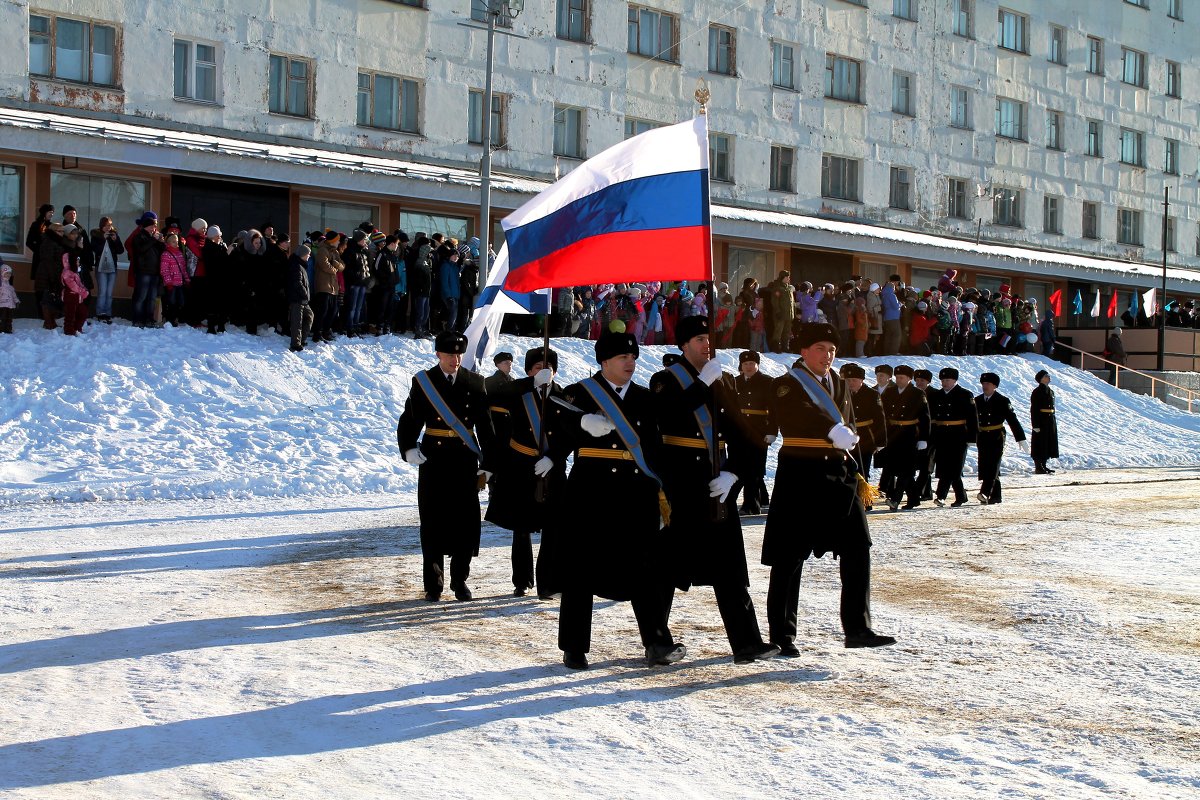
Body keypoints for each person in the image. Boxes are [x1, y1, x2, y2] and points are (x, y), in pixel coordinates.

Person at [548, 330, 684, 670]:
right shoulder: (578, 394)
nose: (630, 362)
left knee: (646, 569)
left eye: (633, 357)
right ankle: (574, 647)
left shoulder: (645, 399)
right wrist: (580, 422)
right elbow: (554, 424)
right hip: (590, 493)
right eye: (622, 357)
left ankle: (656, 643)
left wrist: (663, 491)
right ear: (604, 361)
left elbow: (656, 449)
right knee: (580, 569)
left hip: (635, 493)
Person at [649, 316, 780, 665]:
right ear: (683, 345)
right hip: (679, 484)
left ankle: (747, 642)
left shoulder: (722, 381)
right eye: (699, 339)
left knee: (730, 567)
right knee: (666, 568)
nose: (707, 344)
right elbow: (664, 418)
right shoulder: (664, 380)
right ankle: (657, 643)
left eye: (709, 338)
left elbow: (743, 432)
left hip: (716, 484)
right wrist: (699, 387)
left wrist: (734, 472)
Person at [762, 322, 896, 653]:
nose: (828, 356)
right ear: (804, 352)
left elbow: (847, 421)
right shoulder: (786, 385)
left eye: (832, 350)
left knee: (857, 547)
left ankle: (858, 628)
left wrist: (846, 433)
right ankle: (782, 635)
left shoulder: (839, 384)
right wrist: (831, 428)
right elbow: (796, 413)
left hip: (838, 475)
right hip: (801, 476)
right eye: (820, 349)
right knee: (789, 559)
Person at [397, 330, 496, 602]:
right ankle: (433, 583)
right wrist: (408, 447)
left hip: (464, 458)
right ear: (438, 354)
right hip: (434, 460)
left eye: (459, 354)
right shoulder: (424, 382)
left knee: (465, 522)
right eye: (450, 354)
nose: (455, 359)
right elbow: (411, 417)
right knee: (432, 521)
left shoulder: (475, 382)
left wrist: (488, 463)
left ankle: (460, 580)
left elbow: (486, 427)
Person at [485, 347, 566, 599]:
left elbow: (571, 434)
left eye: (549, 368)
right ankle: (521, 580)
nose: (544, 372)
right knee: (521, 528)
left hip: (552, 469)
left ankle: (547, 583)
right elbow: (498, 395)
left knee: (553, 529)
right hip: (520, 467)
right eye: (537, 368)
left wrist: (554, 458)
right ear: (529, 371)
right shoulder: (517, 392)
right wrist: (532, 384)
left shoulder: (564, 396)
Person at [728, 350, 774, 515]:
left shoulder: (767, 382)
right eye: (745, 364)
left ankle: (752, 504)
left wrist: (772, 431)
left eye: (751, 363)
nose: (748, 366)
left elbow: (774, 410)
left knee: (755, 469)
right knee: (736, 466)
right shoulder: (734, 382)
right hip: (739, 431)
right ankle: (730, 501)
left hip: (758, 431)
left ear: (757, 365)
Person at [878, 365, 930, 510]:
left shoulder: (917, 393)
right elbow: (882, 414)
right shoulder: (889, 392)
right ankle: (913, 498)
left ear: (909, 379)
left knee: (906, 469)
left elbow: (924, 417)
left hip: (909, 434)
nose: (899, 380)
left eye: (902, 378)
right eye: (897, 377)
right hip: (894, 434)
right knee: (897, 468)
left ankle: (895, 499)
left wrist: (923, 438)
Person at [927, 367, 979, 507]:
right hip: (942, 434)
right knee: (945, 466)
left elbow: (972, 418)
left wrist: (972, 438)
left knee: (954, 467)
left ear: (955, 380)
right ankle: (961, 496)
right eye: (943, 380)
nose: (944, 383)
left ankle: (941, 496)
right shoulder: (936, 396)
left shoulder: (964, 394)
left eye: (947, 380)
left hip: (959, 435)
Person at [974, 372, 1027, 505]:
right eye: (983, 384)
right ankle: (996, 496)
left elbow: (1012, 420)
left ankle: (985, 492)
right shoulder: (977, 400)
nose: (985, 386)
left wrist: (1020, 438)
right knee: (986, 464)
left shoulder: (1002, 400)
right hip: (982, 436)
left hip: (996, 435)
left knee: (993, 464)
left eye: (988, 384)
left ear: (994, 386)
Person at [841, 363, 886, 487]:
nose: (850, 383)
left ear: (861, 380)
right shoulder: (842, 394)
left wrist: (880, 441)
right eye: (848, 380)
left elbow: (879, 419)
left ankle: (864, 501)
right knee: (847, 468)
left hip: (866, 437)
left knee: (862, 469)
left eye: (854, 380)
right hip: (846, 436)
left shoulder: (872, 394)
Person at [129, 212, 165, 328]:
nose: (155, 228)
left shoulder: (153, 237)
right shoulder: (139, 236)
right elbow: (141, 249)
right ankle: (137, 319)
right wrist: (153, 240)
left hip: (154, 272)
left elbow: (161, 252)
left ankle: (149, 319)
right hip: (143, 272)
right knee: (141, 297)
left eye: (155, 225)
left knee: (152, 298)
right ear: (147, 226)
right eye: (153, 225)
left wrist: (161, 242)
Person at [88, 217, 124, 324]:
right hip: (101, 267)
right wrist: (103, 239)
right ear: (102, 226)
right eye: (107, 225)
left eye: (110, 225)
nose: (109, 227)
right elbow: (95, 249)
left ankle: (108, 313)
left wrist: (115, 240)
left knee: (109, 292)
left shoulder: (114, 235)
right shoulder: (96, 235)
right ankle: (100, 313)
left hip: (112, 267)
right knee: (102, 291)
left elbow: (120, 250)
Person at [312, 230, 343, 342]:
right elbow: (324, 265)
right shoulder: (322, 250)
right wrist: (335, 268)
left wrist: (335, 264)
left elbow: (342, 266)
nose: (339, 242)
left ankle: (326, 330)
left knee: (333, 310)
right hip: (323, 284)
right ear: (333, 241)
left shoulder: (335, 252)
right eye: (337, 240)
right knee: (322, 310)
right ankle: (317, 332)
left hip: (333, 286)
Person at [912, 368, 936, 501]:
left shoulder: (935, 394)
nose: (919, 383)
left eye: (922, 380)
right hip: (916, 432)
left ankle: (919, 490)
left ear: (928, 382)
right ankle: (926, 492)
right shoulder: (913, 393)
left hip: (931, 433)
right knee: (921, 463)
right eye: (917, 380)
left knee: (926, 464)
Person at [59, 233, 89, 336]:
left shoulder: (75, 272)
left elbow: (79, 283)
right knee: (70, 315)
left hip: (77, 296)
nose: (78, 263)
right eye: (77, 261)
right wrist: (83, 291)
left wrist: (83, 289)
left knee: (83, 313)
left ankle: (77, 328)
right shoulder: (67, 273)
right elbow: (73, 286)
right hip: (70, 296)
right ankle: (69, 330)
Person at [1030, 369, 1059, 474]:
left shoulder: (1050, 390)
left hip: (1049, 419)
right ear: (1041, 379)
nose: (1049, 377)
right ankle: (1038, 466)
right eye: (1046, 376)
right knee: (1040, 443)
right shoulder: (1037, 391)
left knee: (1048, 442)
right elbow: (1034, 409)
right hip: (1042, 419)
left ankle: (1044, 464)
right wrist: (1035, 424)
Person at [286, 243, 313, 352]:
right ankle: (295, 344)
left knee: (309, 316)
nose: (309, 256)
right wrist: (304, 293)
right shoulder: (296, 266)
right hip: (297, 298)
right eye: (308, 254)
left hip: (303, 299)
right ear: (302, 254)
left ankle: (301, 339)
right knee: (297, 322)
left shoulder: (301, 265)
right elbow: (297, 283)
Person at [0, 262, 17, 333]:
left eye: (9, 273)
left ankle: (8, 329)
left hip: (10, 306)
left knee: (9, 318)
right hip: (2, 305)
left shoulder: (10, 286)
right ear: (2, 274)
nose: (8, 275)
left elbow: (13, 294)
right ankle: (1, 329)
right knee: (2, 317)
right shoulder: (0, 286)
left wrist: (16, 301)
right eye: (6, 273)